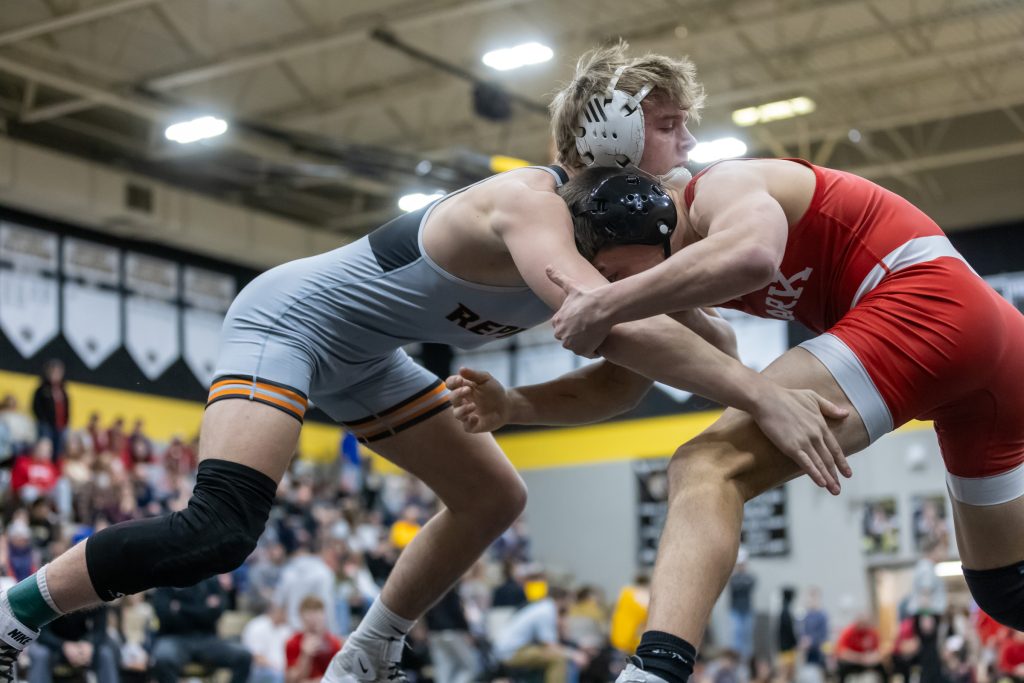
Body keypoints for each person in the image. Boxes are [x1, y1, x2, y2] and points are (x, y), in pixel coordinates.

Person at [0, 42, 843, 683]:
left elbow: (658, 365)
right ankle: (15, 611)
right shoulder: (528, 205)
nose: (689, 141)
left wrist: (521, 402)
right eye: (669, 123)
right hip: (290, 323)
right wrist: (762, 396)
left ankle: (367, 654)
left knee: (494, 495)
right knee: (218, 532)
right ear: (611, 129)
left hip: (367, 356)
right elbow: (611, 328)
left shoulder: (616, 233)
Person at [450, 78, 1024, 681]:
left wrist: (607, 303)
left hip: (928, 301)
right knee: (1004, 589)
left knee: (705, 466)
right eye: (607, 280)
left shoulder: (718, 186)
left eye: (610, 273)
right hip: (995, 355)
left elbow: (754, 255)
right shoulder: (670, 271)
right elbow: (633, 380)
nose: (610, 285)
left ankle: (653, 673)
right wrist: (513, 405)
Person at [149, 575, 252, 683]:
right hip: (173, 637)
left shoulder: (210, 580)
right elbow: (164, 615)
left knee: (243, 656)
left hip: (206, 639)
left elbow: (219, 609)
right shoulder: (166, 581)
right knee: (162, 658)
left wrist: (180, 608)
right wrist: (203, 608)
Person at [492, 586, 584, 683]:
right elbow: (551, 646)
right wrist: (573, 654)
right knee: (558, 659)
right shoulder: (546, 611)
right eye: (570, 601)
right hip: (511, 652)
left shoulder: (542, 606)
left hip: (515, 649)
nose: (571, 605)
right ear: (562, 600)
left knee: (556, 656)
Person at [27, 606, 118, 683]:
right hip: (53, 645)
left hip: (81, 646)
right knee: (40, 653)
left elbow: (100, 630)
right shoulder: (50, 596)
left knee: (105, 653)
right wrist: (63, 646)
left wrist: (89, 644)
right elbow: (42, 634)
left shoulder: (95, 595)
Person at [284, 596, 342, 683]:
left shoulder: (333, 642)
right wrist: (305, 655)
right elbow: (291, 680)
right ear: (301, 617)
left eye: (317, 612)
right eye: (309, 613)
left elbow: (339, 677)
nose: (314, 618)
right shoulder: (293, 642)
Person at [31, 360, 68, 460]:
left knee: (58, 449)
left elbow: (66, 408)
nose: (56, 375)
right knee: (45, 447)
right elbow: (36, 406)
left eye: (58, 372)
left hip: (60, 426)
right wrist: (43, 420)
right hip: (46, 425)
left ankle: (54, 465)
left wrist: (65, 422)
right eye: (54, 372)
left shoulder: (63, 390)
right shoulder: (42, 390)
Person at [834, 614, 887, 683]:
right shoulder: (848, 632)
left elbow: (879, 651)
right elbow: (843, 652)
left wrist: (873, 658)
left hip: (868, 661)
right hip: (853, 661)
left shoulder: (872, 632)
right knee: (841, 669)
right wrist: (859, 658)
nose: (864, 626)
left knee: (883, 668)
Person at [726, 550, 756, 665]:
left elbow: (750, 584)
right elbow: (735, 585)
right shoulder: (733, 578)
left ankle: (747, 662)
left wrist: (742, 582)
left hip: (747, 610)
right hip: (736, 610)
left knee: (747, 636)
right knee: (736, 635)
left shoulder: (749, 577)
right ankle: (736, 660)